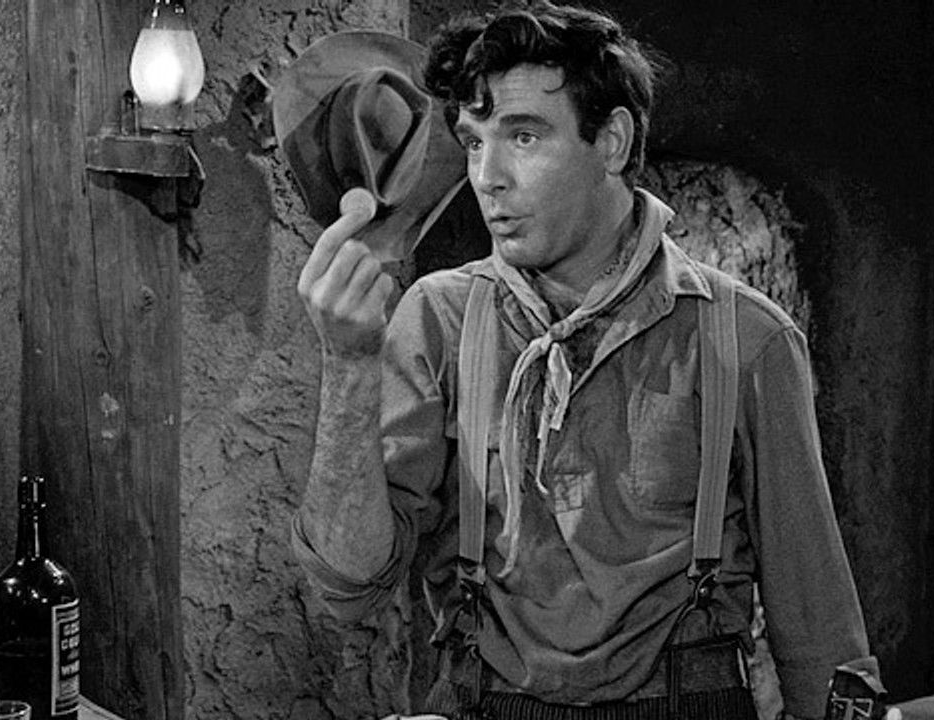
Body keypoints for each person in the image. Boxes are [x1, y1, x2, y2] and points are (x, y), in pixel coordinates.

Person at [290, 3, 880, 718]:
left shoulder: (745, 337)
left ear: (612, 142)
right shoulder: (442, 319)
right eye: (473, 142)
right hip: (491, 703)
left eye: (524, 136)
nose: (488, 177)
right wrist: (349, 363)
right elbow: (348, 587)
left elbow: (818, 629)